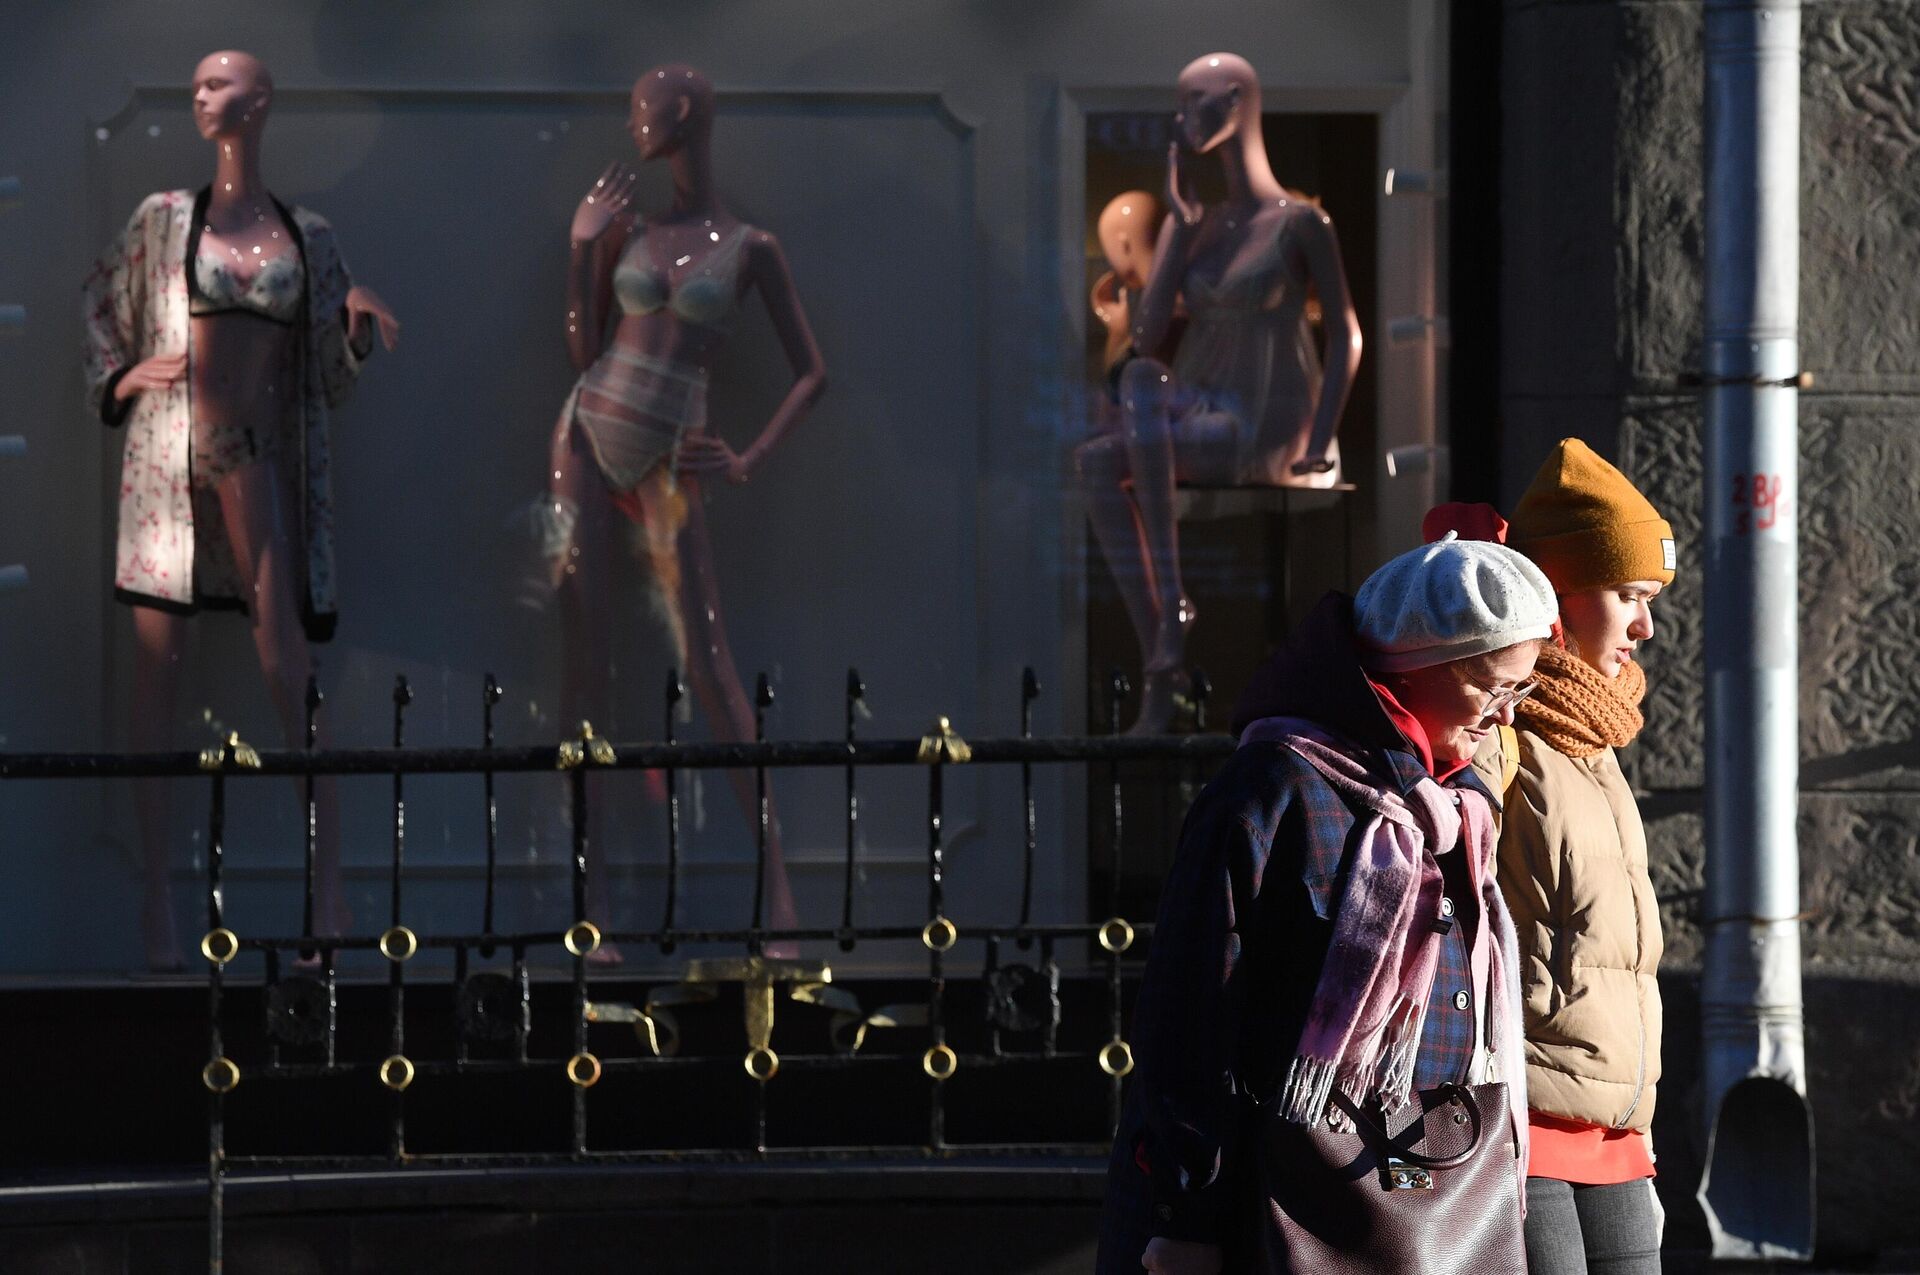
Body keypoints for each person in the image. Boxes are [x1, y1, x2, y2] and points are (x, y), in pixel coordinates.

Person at [1097, 533, 1557, 1273]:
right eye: (1495, 688)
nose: (1507, 717)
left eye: (1522, 690)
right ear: (1416, 669)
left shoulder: (1457, 809)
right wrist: (1188, 1218)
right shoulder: (1272, 790)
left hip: (1424, 1208)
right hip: (1263, 1207)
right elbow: (1190, 1021)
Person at [82, 50, 399, 969]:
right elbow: (102, 300)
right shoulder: (164, 220)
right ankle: (156, 900)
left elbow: (328, 388)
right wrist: (123, 375)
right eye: (194, 86)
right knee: (157, 677)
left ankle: (329, 894)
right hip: (168, 465)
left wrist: (355, 328)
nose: (202, 96)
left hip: (255, 457)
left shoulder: (310, 238)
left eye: (221, 85)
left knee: (287, 669)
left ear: (262, 103)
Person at [546, 65, 826, 960]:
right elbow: (586, 348)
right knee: (587, 659)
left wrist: (746, 458)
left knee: (710, 663)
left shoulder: (751, 246)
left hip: (674, 450)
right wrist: (583, 247)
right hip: (589, 433)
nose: (635, 122)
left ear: (689, 116)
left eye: (649, 108)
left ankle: (779, 898)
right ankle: (588, 904)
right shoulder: (628, 228)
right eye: (629, 105)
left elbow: (812, 373)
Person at [1077, 52, 1362, 734]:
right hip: (1206, 402)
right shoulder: (1201, 226)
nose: (1181, 123)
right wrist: (1176, 219)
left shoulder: (1301, 224)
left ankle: (1169, 643)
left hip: (1270, 417)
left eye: (1192, 106)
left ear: (1236, 102)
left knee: (1130, 412)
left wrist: (1321, 444)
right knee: (1108, 435)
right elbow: (1146, 340)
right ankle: (1165, 636)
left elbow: (1348, 335)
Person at [1483, 438, 1677, 1274]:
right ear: (1556, 595)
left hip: (1621, 1135)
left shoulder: (1598, 740)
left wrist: (1641, 1128)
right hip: (1527, 1131)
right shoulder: (1502, 732)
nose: (1646, 624)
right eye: (1627, 595)